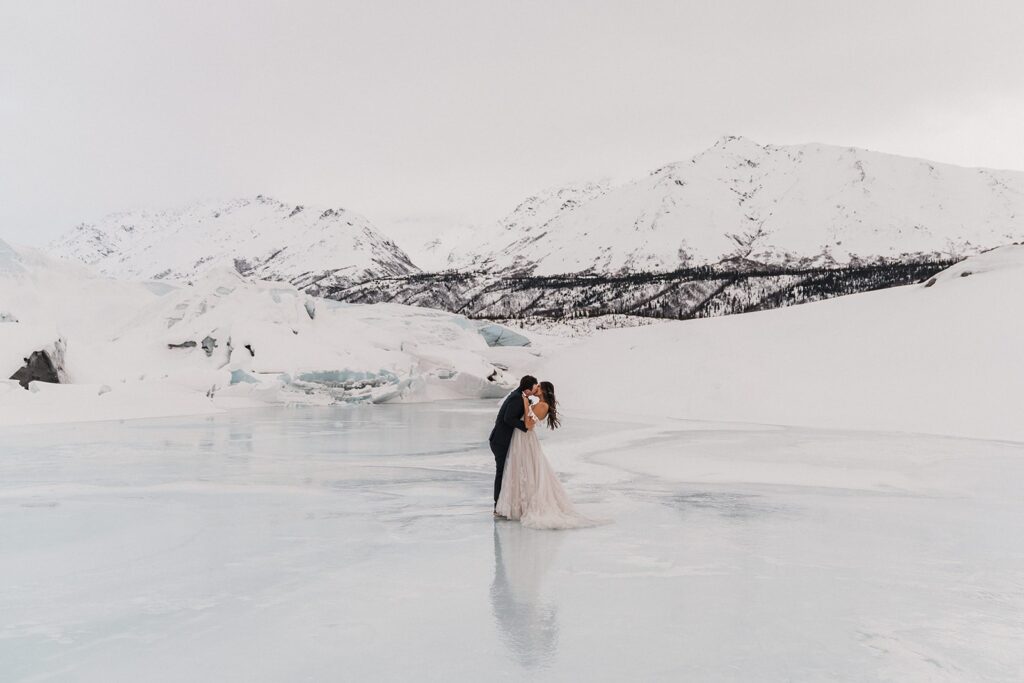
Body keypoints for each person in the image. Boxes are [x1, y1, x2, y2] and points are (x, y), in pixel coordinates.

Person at [494, 381, 600, 529]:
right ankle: (517, 505)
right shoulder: (540, 403)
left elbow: (529, 425)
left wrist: (525, 404)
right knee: (521, 469)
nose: (536, 388)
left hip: (525, 438)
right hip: (521, 437)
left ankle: (523, 505)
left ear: (543, 390)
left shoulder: (543, 406)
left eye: (539, 386)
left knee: (528, 470)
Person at [489, 375, 538, 514]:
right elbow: (508, 418)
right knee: (502, 472)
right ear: (528, 388)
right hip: (500, 441)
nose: (536, 389)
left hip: (502, 440)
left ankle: (502, 504)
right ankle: (497, 505)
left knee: (506, 472)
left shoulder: (520, 396)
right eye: (535, 386)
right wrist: (526, 426)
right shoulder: (517, 397)